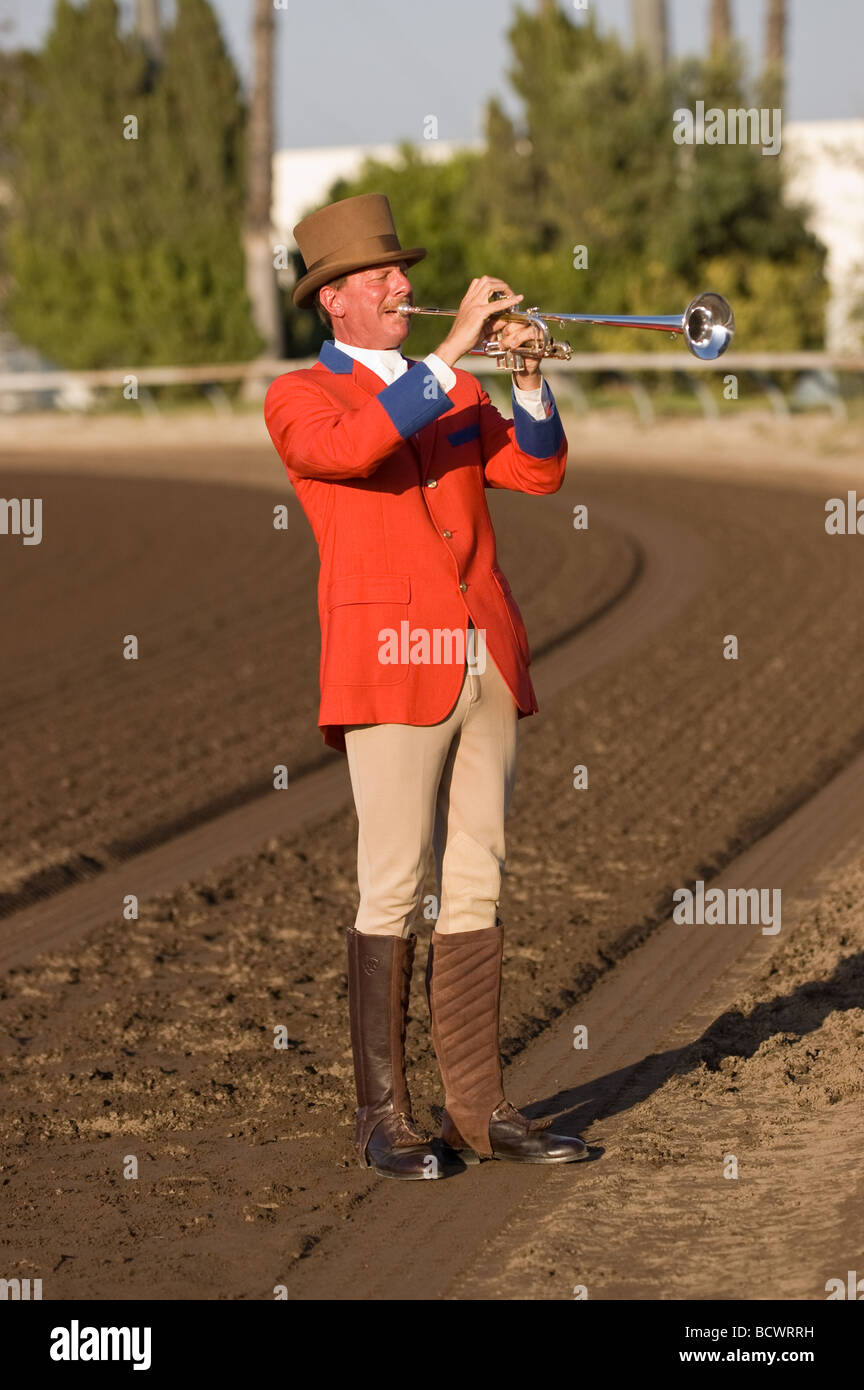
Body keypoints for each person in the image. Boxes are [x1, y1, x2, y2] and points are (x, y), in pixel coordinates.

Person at [265, 193, 587, 1180]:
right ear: (335, 302)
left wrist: (527, 382)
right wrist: (452, 351)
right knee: (395, 882)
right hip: (386, 667)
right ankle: (382, 1117)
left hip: (484, 656)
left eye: (401, 269)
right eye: (380, 275)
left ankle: (481, 1110)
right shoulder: (299, 397)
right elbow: (355, 449)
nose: (400, 283)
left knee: (478, 876)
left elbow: (537, 476)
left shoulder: (446, 388)